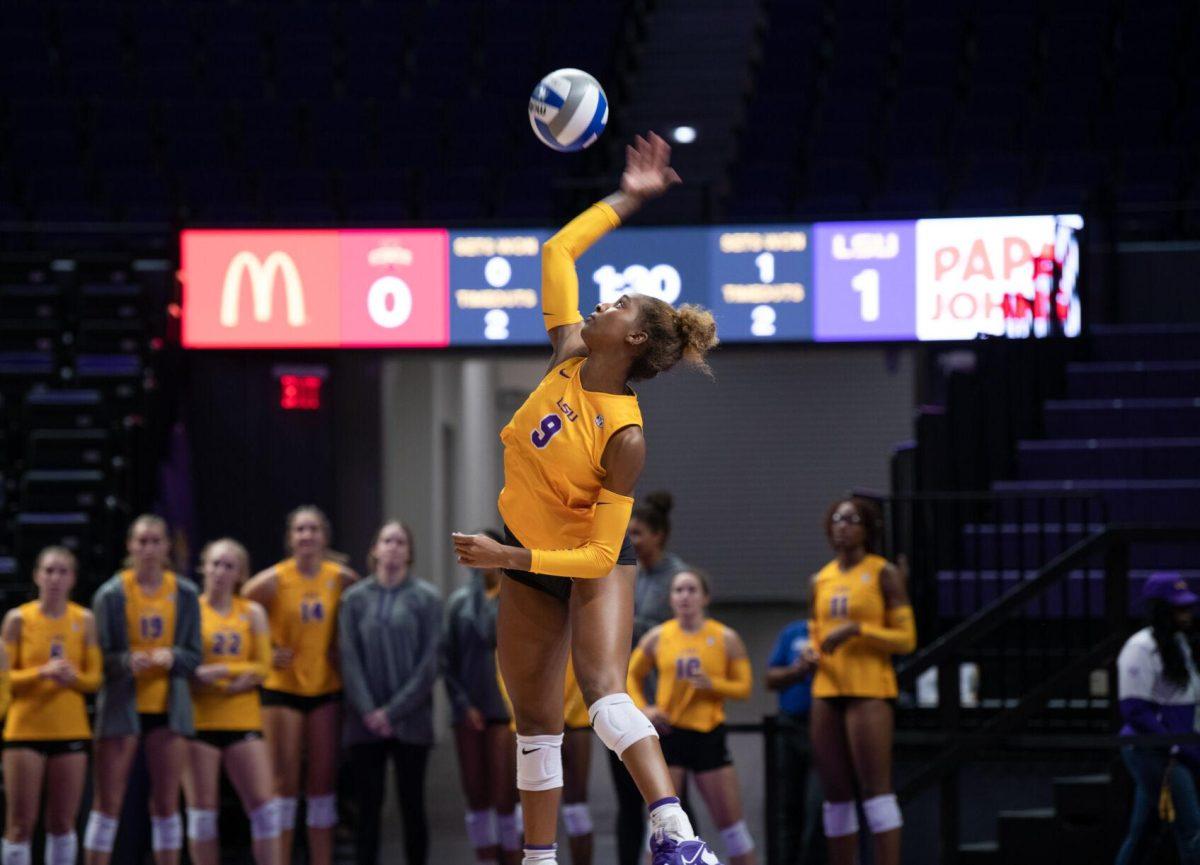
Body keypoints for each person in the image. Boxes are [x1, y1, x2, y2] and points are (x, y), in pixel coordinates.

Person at [451, 132, 723, 865]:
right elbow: (557, 254)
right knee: (534, 722)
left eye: (618, 302)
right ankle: (539, 861)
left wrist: (506, 553)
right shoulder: (570, 350)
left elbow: (601, 551)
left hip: (588, 560)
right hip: (528, 556)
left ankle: (678, 836)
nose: (600, 302)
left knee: (603, 692)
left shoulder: (625, 436)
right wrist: (629, 198)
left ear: (632, 336)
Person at [242, 505, 357, 865]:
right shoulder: (273, 579)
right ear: (290, 539)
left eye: (313, 530)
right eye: (300, 530)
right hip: (282, 691)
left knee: (322, 788)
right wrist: (265, 652)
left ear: (324, 537)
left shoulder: (340, 578)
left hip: (325, 689)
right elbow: (232, 613)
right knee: (283, 786)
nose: (306, 536)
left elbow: (363, 606)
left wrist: (344, 647)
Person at [86, 514, 203, 865]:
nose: (149, 548)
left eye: (155, 541)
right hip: (123, 707)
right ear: (130, 546)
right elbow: (98, 657)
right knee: (108, 802)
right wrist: (125, 662)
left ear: (167, 547)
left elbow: (195, 655)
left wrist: (172, 657)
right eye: (142, 541)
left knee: (167, 804)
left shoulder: (185, 593)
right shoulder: (110, 594)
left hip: (169, 710)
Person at [808, 498, 915, 865]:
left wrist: (859, 630)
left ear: (868, 529)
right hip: (827, 688)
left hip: (869, 689)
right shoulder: (820, 579)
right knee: (836, 793)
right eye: (837, 519)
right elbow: (816, 634)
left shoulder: (882, 572)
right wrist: (810, 653)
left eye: (852, 520)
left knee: (875, 789)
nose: (843, 526)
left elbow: (906, 639)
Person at [628, 569, 756, 865]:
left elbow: (744, 688)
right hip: (669, 734)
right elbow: (630, 676)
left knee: (734, 830)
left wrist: (714, 684)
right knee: (662, 830)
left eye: (691, 590)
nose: (685, 596)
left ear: (704, 597)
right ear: (671, 598)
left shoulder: (725, 637)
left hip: (707, 735)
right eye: (678, 590)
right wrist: (645, 709)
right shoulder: (658, 637)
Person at [339, 520, 442, 865]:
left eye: (400, 541)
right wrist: (370, 711)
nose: (393, 547)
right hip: (363, 722)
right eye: (387, 540)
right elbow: (348, 657)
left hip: (412, 721)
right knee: (368, 808)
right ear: (375, 549)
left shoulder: (427, 599)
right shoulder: (354, 599)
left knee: (412, 806)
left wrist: (392, 712)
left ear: (409, 552)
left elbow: (430, 663)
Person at [1, 547, 101, 865]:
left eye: (62, 572)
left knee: (62, 824)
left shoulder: (84, 620)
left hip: (69, 730)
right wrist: (40, 672)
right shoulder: (18, 619)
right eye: (49, 571)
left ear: (73, 578)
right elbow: (6, 680)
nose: (55, 578)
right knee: (19, 824)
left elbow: (94, 680)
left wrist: (73, 677)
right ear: (36, 575)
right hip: (25, 730)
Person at [183, 538, 279, 865]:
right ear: (203, 568)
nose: (221, 572)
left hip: (242, 720)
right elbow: (184, 664)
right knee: (202, 814)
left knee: (266, 809)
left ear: (240, 574)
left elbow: (264, 667)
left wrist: (225, 669)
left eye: (229, 566)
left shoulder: (252, 613)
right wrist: (197, 674)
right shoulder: (190, 612)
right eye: (215, 564)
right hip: (200, 720)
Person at [612, 491, 690, 865]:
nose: (631, 540)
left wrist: (617, 624)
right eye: (628, 533)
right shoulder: (629, 571)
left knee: (671, 800)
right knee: (627, 799)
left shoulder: (677, 577)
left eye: (638, 533)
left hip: (664, 703)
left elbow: (665, 632)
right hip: (625, 694)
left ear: (658, 535)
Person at [444, 532, 522, 865]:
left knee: (506, 797)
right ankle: (485, 859)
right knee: (476, 797)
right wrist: (463, 705)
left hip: (506, 710)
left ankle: (513, 857)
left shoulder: (515, 597)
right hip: (470, 709)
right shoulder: (459, 602)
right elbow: (447, 661)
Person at [1115, 572, 1200, 865]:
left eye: (1187, 607)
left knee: (1143, 834)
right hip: (1155, 751)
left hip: (1176, 748)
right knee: (1193, 832)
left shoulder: (1178, 643)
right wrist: (1173, 745)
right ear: (1161, 610)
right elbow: (1134, 710)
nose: (1187, 613)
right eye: (1179, 608)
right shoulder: (1139, 648)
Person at [765, 617, 825, 865]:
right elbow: (770, 678)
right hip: (790, 725)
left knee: (819, 807)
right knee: (787, 807)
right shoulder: (794, 632)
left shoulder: (836, 632)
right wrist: (798, 669)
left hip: (825, 728)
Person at [561, 660, 594, 865]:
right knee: (528, 801)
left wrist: (567, 712)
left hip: (575, 720)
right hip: (535, 719)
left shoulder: (581, 628)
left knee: (577, 802)